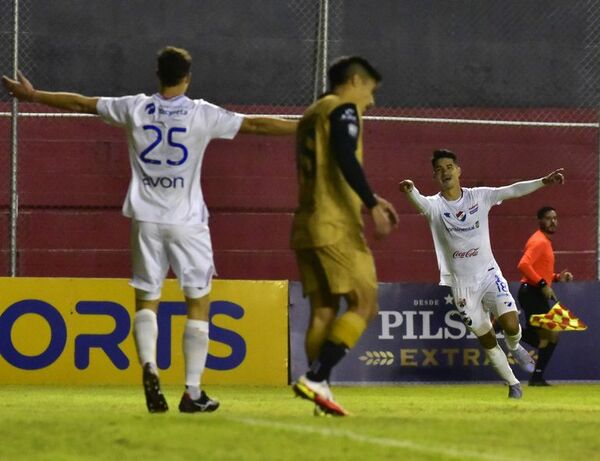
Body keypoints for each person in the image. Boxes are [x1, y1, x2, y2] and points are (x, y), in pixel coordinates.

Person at [2, 46, 297, 413]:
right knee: (198, 302)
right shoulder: (201, 114)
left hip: (146, 220)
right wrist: (305, 127)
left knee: (146, 300)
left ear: (157, 75)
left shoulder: (134, 107)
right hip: (187, 222)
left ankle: (149, 367)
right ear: (188, 77)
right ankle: (192, 391)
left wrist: (34, 96)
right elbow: (255, 124)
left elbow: (81, 104)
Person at [398, 149, 564, 399]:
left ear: (458, 171)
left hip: (488, 275)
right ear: (434, 175)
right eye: (440, 169)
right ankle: (513, 384)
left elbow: (513, 190)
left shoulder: (479, 197)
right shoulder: (434, 206)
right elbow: (418, 200)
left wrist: (543, 181)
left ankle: (515, 345)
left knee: (510, 323)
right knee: (486, 339)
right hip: (462, 286)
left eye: (449, 166)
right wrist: (410, 190)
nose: (445, 171)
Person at [290, 56, 398, 416]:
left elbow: (327, 162)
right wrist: (371, 203)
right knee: (365, 304)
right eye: (370, 90)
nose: (371, 101)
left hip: (307, 224)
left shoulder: (312, 113)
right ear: (355, 81)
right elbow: (344, 155)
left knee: (323, 310)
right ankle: (317, 377)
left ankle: (320, 393)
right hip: (336, 224)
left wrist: (370, 197)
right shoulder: (343, 109)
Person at [517, 206, 573, 386]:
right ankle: (537, 377)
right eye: (549, 218)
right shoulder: (539, 241)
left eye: (555, 218)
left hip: (534, 293)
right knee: (552, 334)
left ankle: (537, 377)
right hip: (531, 292)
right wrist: (542, 284)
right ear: (540, 221)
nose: (553, 221)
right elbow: (523, 265)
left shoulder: (545, 242)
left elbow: (539, 270)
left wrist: (556, 278)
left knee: (544, 338)